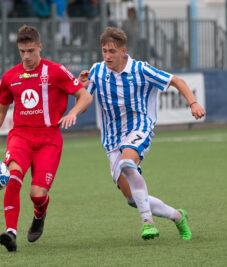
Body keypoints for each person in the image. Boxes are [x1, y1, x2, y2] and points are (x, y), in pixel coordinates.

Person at [78, 27, 205, 240]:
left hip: (139, 127)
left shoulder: (141, 69)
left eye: (112, 51)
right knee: (131, 198)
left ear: (123, 51)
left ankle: (147, 221)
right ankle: (177, 216)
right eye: (104, 51)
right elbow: (84, 100)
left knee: (127, 164)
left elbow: (177, 81)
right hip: (111, 139)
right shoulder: (97, 71)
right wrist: (81, 88)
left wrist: (193, 103)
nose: (107, 56)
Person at [0, 25, 93, 252]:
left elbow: (85, 96)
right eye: (22, 51)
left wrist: (72, 112)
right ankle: (10, 233)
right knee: (13, 178)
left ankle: (40, 213)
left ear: (40, 47)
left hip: (49, 139)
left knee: (37, 194)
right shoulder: (10, 76)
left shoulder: (56, 71)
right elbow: (0, 112)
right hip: (21, 136)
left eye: (31, 50)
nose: (27, 56)